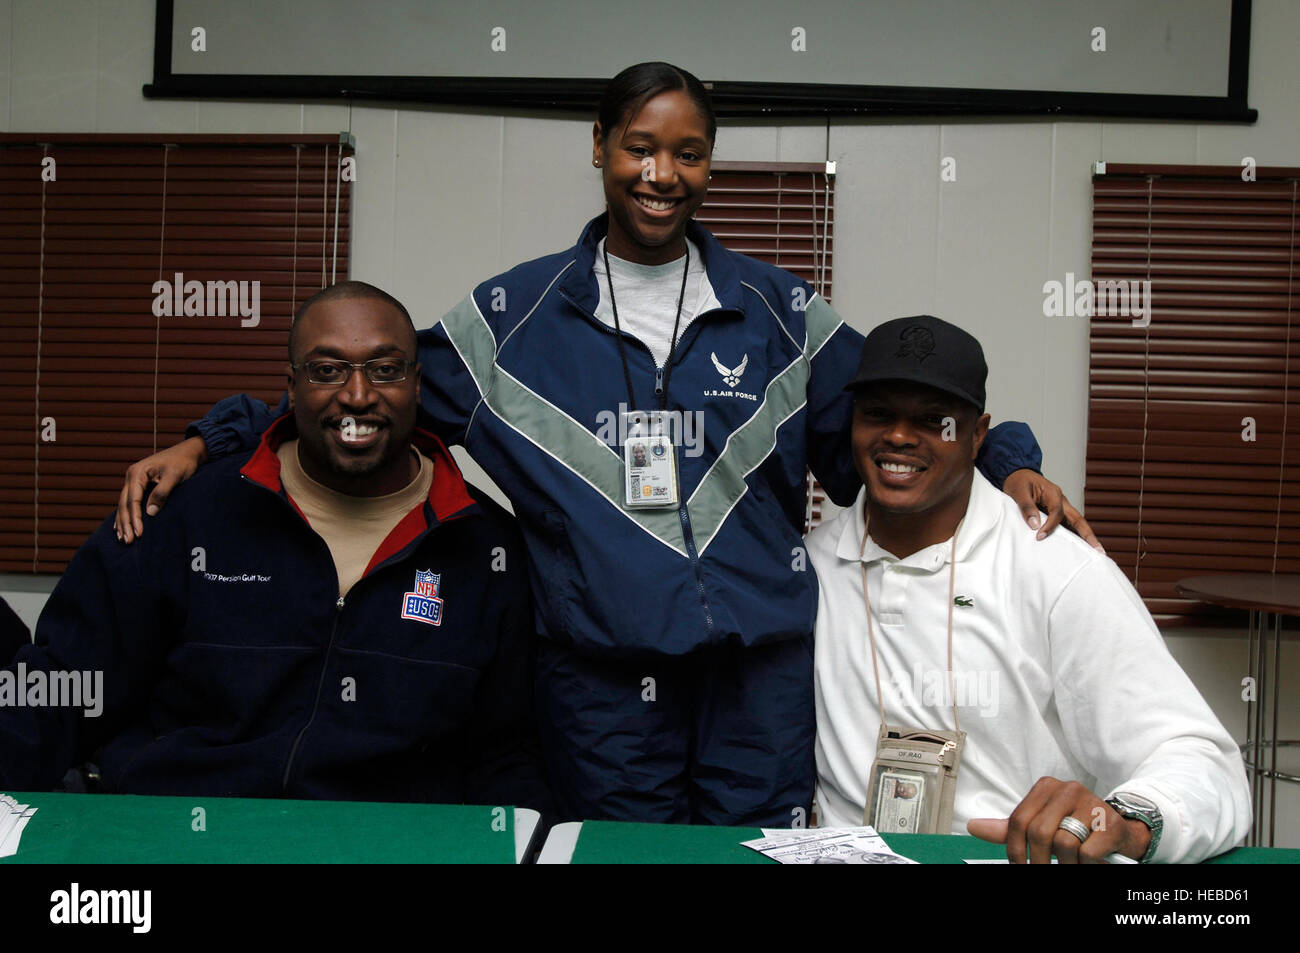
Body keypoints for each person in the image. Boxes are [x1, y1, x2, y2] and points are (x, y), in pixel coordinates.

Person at [112, 63, 1092, 826]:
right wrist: (214, 435)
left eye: (690, 152)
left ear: (710, 163)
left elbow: (899, 417)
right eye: (639, 147)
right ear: (599, 147)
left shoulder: (782, 313)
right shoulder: (515, 316)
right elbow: (366, 390)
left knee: (751, 859)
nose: (662, 174)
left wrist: (1008, 453)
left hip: (759, 674)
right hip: (600, 679)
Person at [0, 282, 551, 813]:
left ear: (417, 383)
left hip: (383, 845)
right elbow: (62, 687)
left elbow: (507, 755)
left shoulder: (486, 550)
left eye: (385, 370)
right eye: (326, 371)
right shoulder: (184, 514)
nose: (357, 395)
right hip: (177, 831)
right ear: (291, 388)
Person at [810, 314, 1250, 862]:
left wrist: (1130, 823)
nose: (899, 436)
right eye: (878, 414)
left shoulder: (1057, 569)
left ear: (976, 436)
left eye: (933, 420)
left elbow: (1202, 760)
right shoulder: (809, 568)